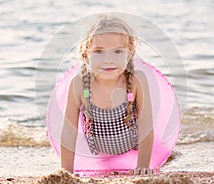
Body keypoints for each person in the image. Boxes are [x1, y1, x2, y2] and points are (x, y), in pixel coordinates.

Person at [60, 15, 155, 175]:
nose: (108, 60)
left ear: (130, 53)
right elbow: (69, 132)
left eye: (118, 51)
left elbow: (146, 126)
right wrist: (66, 171)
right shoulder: (80, 84)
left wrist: (143, 165)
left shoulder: (136, 80)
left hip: (132, 146)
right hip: (98, 151)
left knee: (170, 156)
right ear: (85, 55)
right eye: (98, 51)